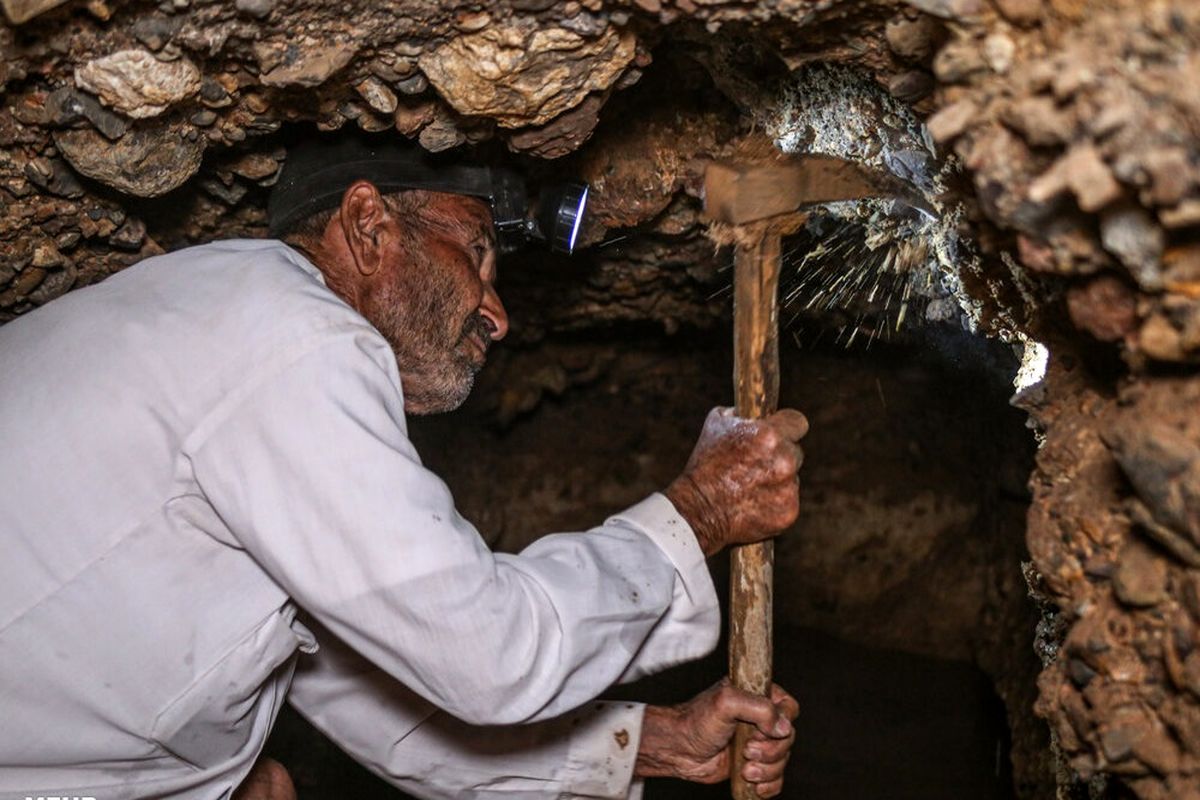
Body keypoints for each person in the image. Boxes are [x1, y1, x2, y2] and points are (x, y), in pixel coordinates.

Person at [0, 137, 808, 800]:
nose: (498, 313)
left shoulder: (230, 343)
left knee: (261, 784)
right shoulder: (291, 333)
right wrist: (700, 508)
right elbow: (490, 654)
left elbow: (391, 705)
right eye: (478, 252)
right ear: (368, 225)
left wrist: (652, 745)